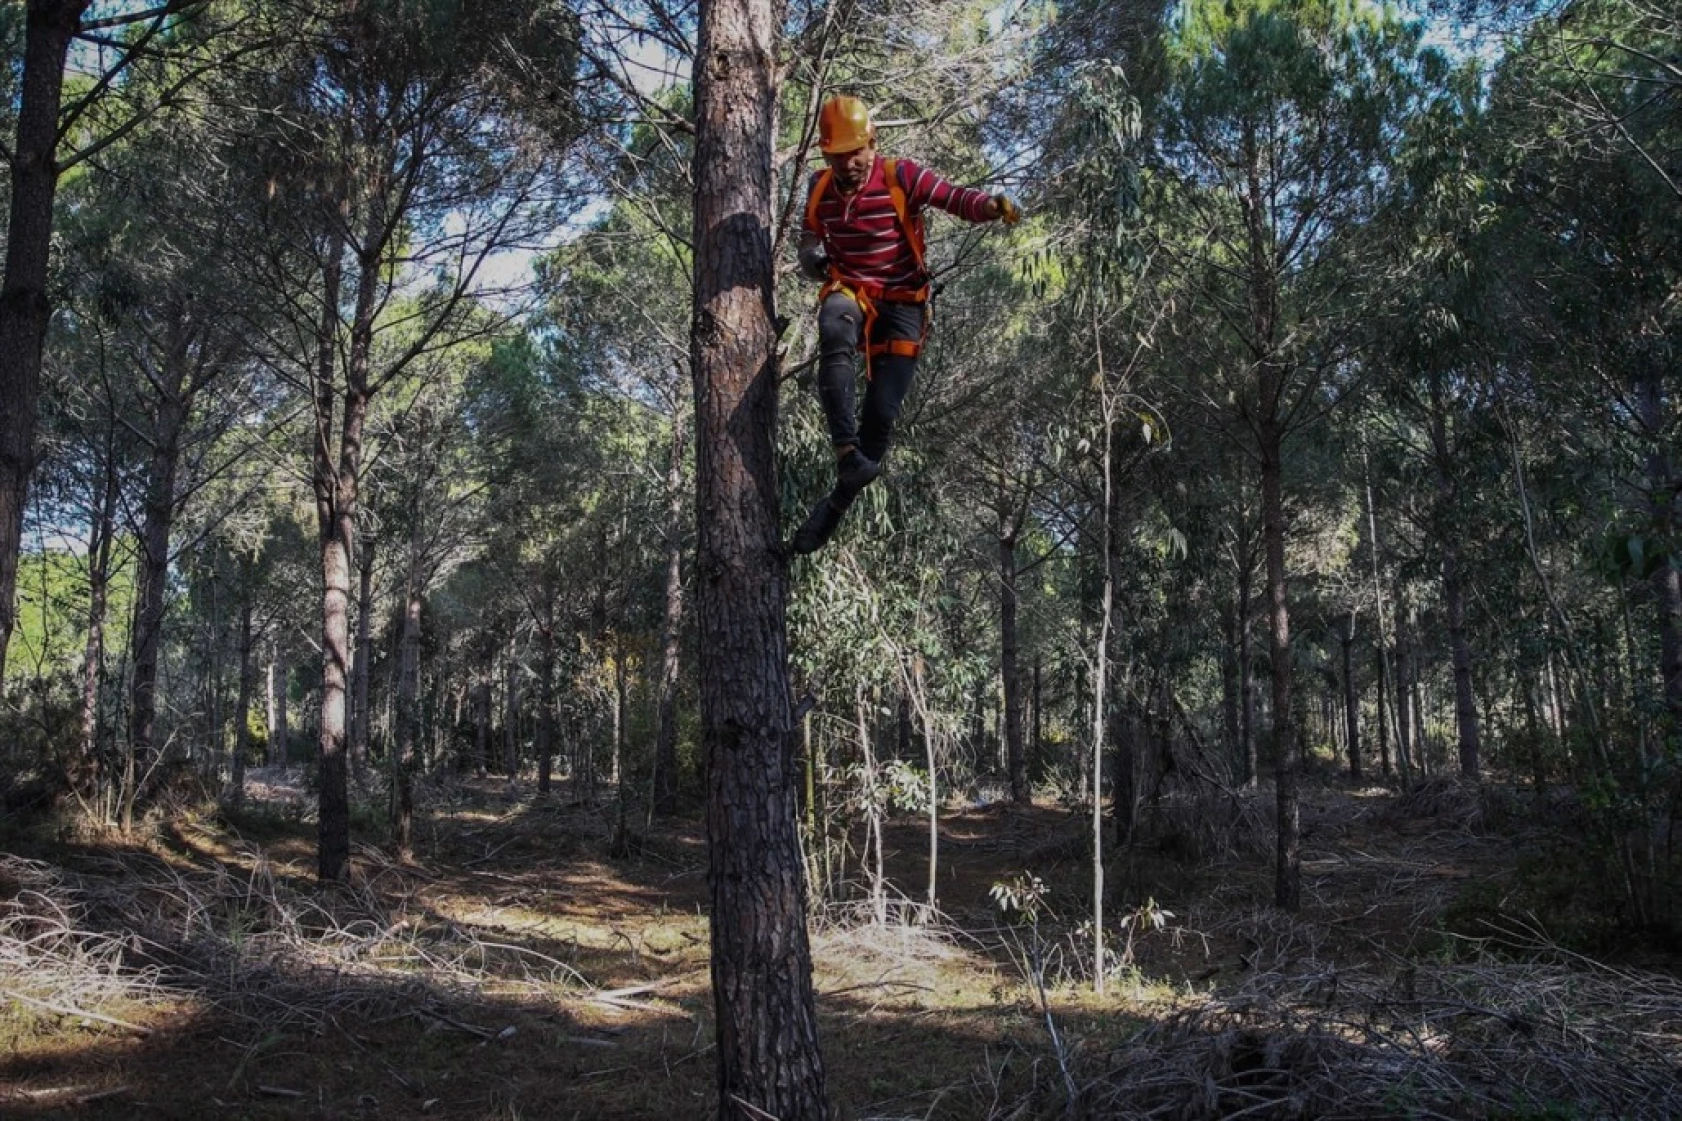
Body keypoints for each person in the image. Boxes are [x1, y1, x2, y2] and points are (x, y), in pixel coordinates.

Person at [787, 95, 1020, 555]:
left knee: (881, 418)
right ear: (825, 153)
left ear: (872, 142)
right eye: (838, 155)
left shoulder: (900, 175)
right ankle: (842, 450)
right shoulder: (819, 187)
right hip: (851, 290)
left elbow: (953, 197)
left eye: (856, 152)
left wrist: (990, 207)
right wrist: (810, 253)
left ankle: (832, 508)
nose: (849, 163)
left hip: (903, 305)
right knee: (833, 327)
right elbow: (809, 231)